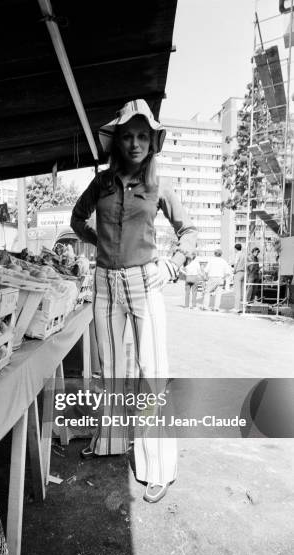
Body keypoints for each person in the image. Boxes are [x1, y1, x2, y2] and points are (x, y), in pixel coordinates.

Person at [70, 99, 197, 503]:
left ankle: (158, 466)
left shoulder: (161, 186)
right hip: (105, 282)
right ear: (118, 141)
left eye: (144, 136)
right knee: (110, 369)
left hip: (146, 281)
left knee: (152, 371)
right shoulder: (101, 185)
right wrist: (98, 243)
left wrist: (174, 263)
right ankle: (109, 442)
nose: (136, 142)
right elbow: (77, 219)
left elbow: (188, 231)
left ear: (152, 142)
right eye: (129, 135)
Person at [232, 243, 246, 313]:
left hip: (238, 272)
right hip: (244, 273)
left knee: (237, 292)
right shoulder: (244, 254)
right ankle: (242, 308)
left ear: (235, 249)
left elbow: (236, 263)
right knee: (242, 291)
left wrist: (234, 271)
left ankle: (236, 308)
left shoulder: (237, 254)